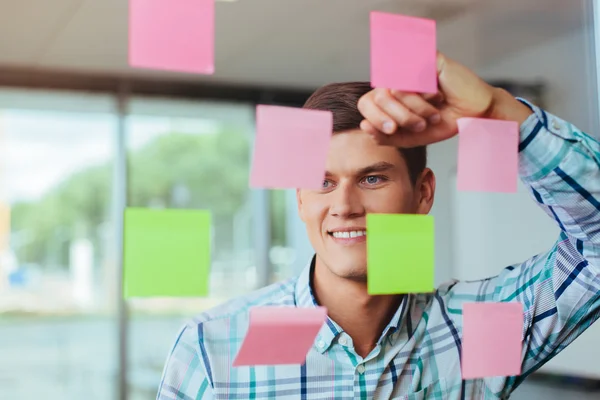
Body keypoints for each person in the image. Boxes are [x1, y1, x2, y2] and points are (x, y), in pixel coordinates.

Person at [156, 53, 600, 399]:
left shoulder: (479, 327)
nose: (345, 205)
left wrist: (499, 112)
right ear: (301, 200)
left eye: (372, 178)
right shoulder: (215, 345)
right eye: (323, 183)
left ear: (423, 192)